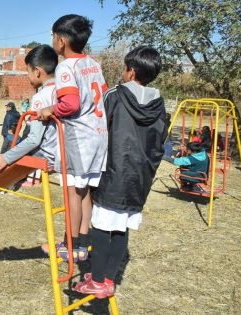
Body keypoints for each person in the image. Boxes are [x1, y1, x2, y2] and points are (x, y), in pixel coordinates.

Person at [74, 46, 166, 298]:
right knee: (121, 227)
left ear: (131, 71)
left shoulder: (114, 95)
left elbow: (98, 130)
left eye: (125, 68)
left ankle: (98, 279)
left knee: (102, 227)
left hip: (113, 172)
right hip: (140, 176)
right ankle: (109, 279)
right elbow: (160, 142)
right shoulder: (159, 104)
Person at [39, 15, 108, 261]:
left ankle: (70, 245)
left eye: (53, 37)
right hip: (98, 136)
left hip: (79, 138)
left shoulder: (66, 67)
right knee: (85, 191)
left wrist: (50, 110)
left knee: (72, 193)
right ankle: (82, 240)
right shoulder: (93, 63)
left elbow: (69, 103)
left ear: (61, 40)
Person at [0, 45, 59, 175]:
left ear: (37, 71)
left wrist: (6, 157)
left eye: (28, 71)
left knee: (3, 160)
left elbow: (34, 139)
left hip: (47, 156)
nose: (27, 76)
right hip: (62, 153)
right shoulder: (64, 90)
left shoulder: (41, 97)